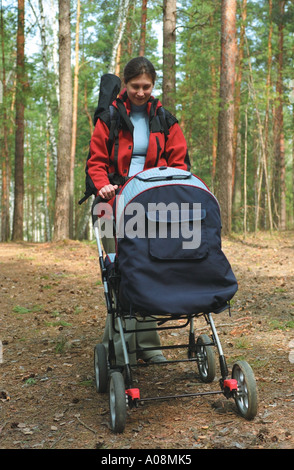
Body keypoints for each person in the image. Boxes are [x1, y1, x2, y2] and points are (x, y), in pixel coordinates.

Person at [87, 57, 190, 365]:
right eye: (135, 86)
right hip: (111, 206)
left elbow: (180, 163)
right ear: (125, 84)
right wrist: (103, 185)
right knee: (118, 272)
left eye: (147, 87)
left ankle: (143, 345)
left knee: (147, 269)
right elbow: (95, 162)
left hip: (151, 207)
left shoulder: (165, 120)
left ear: (153, 86)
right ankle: (123, 348)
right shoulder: (109, 118)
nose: (141, 92)